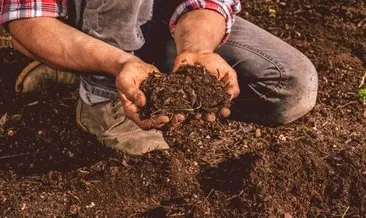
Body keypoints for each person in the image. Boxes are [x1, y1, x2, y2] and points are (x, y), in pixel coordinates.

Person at [0, 0, 318, 155]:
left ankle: (85, 69)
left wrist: (196, 50)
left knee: (289, 86)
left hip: (162, 25)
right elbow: (28, 20)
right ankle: (100, 95)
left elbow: (207, 3)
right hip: (72, 24)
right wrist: (119, 61)